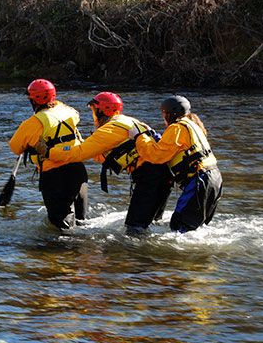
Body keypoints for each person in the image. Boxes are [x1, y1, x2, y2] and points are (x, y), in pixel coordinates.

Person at [35, 91, 173, 236]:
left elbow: (78, 154)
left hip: (151, 179)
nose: (93, 115)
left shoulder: (109, 129)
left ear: (102, 111)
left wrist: (48, 152)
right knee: (152, 225)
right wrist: (84, 143)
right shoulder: (128, 121)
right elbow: (105, 156)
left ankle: (134, 258)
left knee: (134, 229)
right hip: (163, 176)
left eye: (94, 110)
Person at [130, 95, 222, 233]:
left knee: (180, 227)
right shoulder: (192, 125)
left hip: (199, 181)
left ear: (169, 114)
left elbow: (157, 156)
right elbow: (173, 147)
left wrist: (139, 137)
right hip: (214, 178)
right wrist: (152, 135)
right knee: (195, 229)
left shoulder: (177, 127)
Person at [9, 79, 88, 231]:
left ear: (34, 100)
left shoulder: (33, 123)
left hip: (55, 177)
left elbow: (15, 147)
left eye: (30, 98)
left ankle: (61, 254)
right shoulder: (69, 111)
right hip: (78, 171)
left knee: (62, 228)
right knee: (80, 223)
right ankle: (81, 253)